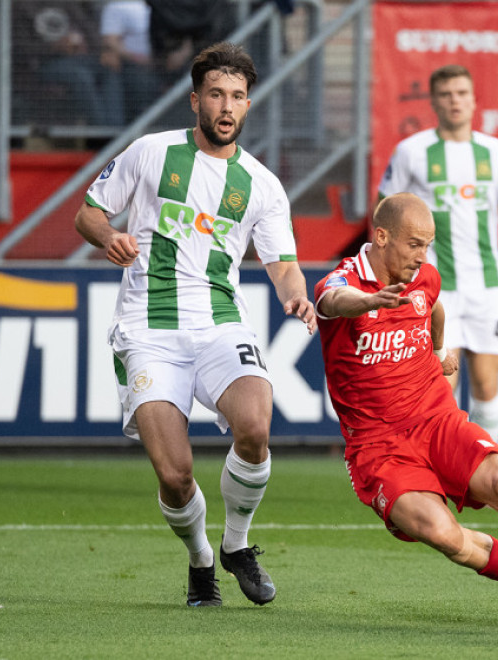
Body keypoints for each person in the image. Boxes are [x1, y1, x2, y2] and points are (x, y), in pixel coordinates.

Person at [73, 42, 317, 608]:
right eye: (215, 94)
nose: (226, 106)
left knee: (255, 425)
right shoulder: (150, 153)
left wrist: (296, 297)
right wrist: (108, 236)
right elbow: (88, 210)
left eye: (236, 96)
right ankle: (201, 559)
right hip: (148, 328)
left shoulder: (261, 183)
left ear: (248, 105)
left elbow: (282, 262)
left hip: (220, 322)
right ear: (195, 101)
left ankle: (236, 545)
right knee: (175, 474)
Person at [312, 192, 498, 625]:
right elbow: (330, 302)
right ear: (380, 236)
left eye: (427, 245)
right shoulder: (342, 282)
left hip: (436, 418)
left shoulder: (424, 277)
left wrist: (438, 349)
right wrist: (370, 302)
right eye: (414, 244)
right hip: (378, 446)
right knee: (443, 535)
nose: (422, 256)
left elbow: (433, 306)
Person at [376, 64, 498, 444]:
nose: (455, 101)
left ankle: (484, 470)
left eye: (461, 93)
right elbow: (384, 211)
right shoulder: (412, 152)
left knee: (486, 384)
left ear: (474, 99)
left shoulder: (496, 152)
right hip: (436, 287)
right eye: (446, 94)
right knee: (443, 384)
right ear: (433, 101)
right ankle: (441, 465)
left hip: (487, 286)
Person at [99, 0, 158, 126]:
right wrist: (134, 57)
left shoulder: (161, 6)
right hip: (129, 66)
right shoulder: (116, 6)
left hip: (160, 66)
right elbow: (110, 40)